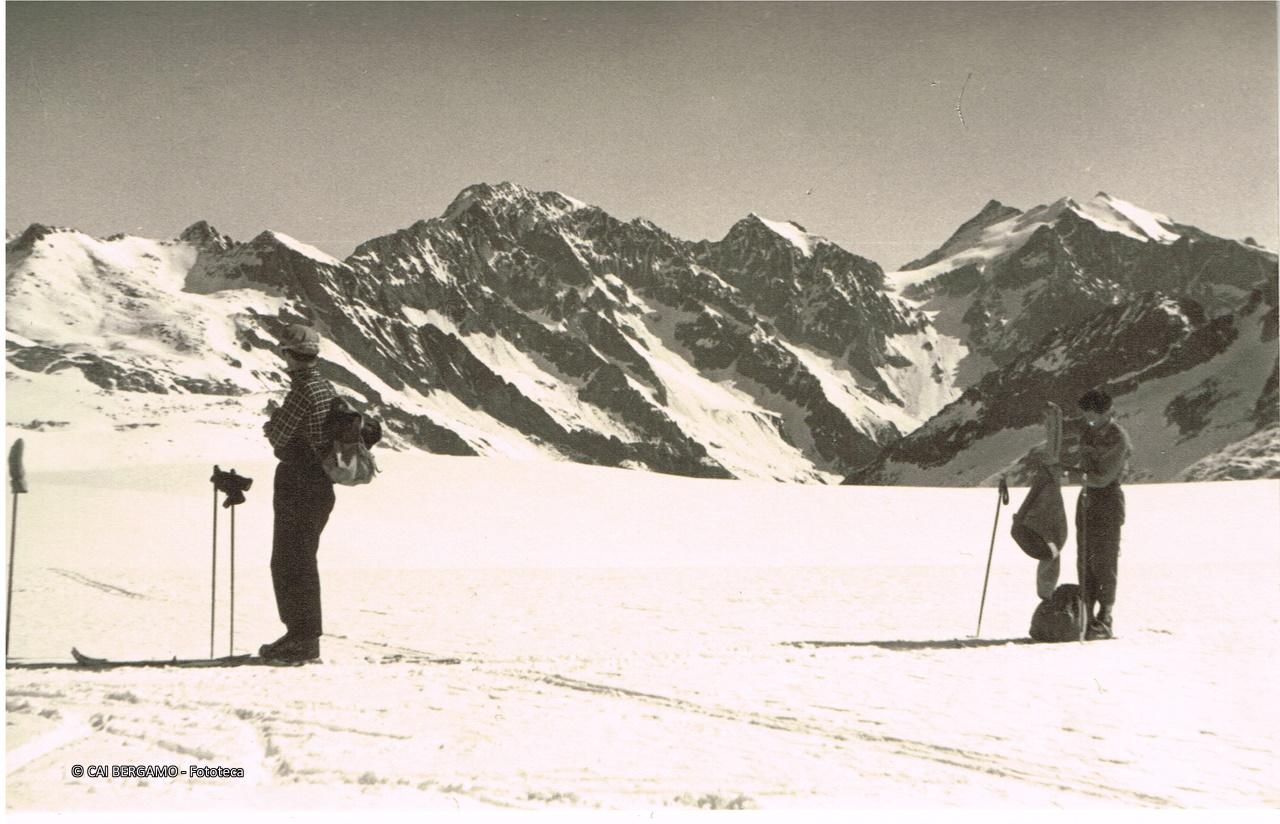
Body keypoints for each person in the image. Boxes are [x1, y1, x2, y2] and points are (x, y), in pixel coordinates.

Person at [259, 324, 337, 662]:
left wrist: (271, 421)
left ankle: (302, 639)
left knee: (289, 561)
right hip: (320, 484)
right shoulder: (326, 387)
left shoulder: (302, 392)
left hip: (299, 484)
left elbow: (279, 437)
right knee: (302, 559)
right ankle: (303, 637)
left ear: (289, 355)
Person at [1063, 388, 1131, 640]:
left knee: (1104, 559)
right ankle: (1086, 613)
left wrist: (1073, 476)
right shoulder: (1089, 433)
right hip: (1087, 499)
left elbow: (1103, 477)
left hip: (1107, 501)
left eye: (1091, 416)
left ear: (1106, 413)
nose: (1088, 421)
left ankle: (1105, 616)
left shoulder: (1117, 437)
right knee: (1084, 557)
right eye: (1085, 416)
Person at [1011, 445, 1068, 602]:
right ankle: (1046, 593)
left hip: (1036, 538)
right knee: (1051, 552)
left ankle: (1045, 593)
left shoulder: (1043, 482)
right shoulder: (1048, 486)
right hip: (1044, 541)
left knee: (1050, 553)